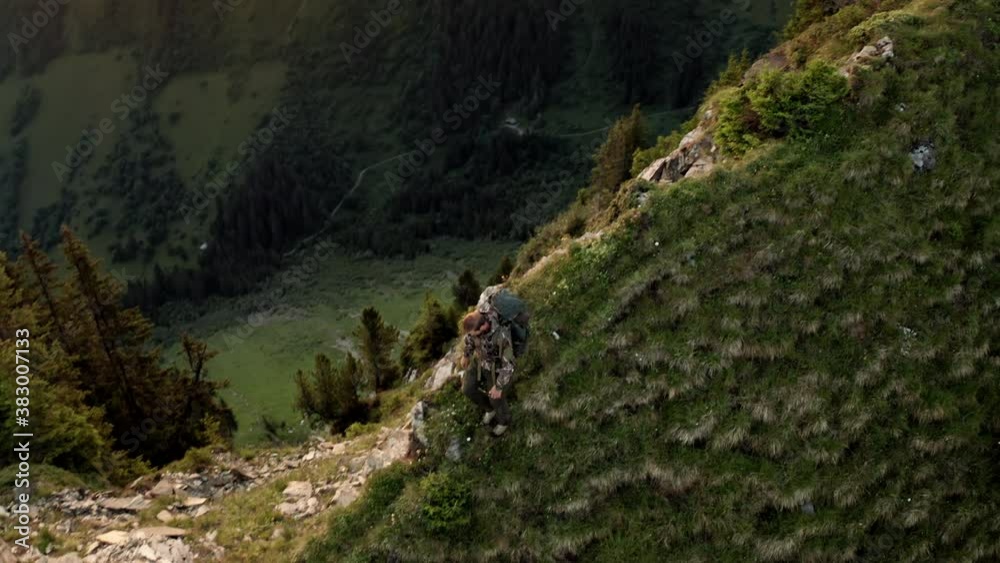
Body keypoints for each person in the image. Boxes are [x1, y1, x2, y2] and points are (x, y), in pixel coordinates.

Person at [460, 307, 516, 436]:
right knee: (467, 389)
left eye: (475, 333)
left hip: (496, 367)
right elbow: (470, 338)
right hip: (480, 361)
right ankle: (489, 409)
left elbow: (509, 364)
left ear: (484, 326)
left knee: (495, 397)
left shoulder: (501, 335)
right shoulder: (475, 325)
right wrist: (466, 355)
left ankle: (504, 421)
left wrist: (499, 386)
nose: (473, 335)